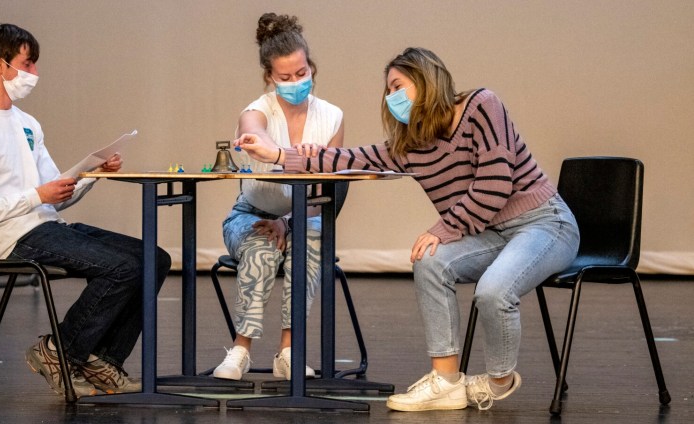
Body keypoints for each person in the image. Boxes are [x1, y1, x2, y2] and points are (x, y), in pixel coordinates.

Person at [234, 47, 580, 411]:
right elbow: (350, 158)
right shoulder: (410, 145)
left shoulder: (482, 105)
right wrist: (276, 155)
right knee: (430, 260)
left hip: (544, 223)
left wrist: (444, 227)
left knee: (493, 291)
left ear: (426, 79)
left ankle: (497, 382)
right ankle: (446, 380)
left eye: (398, 86)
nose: (391, 98)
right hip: (491, 234)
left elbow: (495, 182)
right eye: (388, 91)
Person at [0, 23, 171, 397]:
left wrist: (90, 174)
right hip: (12, 237)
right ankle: (58, 351)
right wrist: (38, 196)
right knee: (123, 267)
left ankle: (101, 361)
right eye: (27, 64)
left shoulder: (26, 123)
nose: (33, 74)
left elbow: (56, 192)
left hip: (46, 225)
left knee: (155, 259)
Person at [211, 13, 344, 381]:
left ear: (311, 67)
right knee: (262, 248)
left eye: (301, 74)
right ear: (270, 77)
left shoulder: (332, 117)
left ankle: (289, 351)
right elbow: (257, 136)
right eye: (285, 78)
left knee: (310, 241)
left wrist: (289, 221)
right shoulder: (256, 111)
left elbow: (325, 189)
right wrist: (271, 150)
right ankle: (240, 350)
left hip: (305, 217)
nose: (295, 82)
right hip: (251, 214)